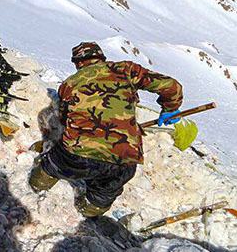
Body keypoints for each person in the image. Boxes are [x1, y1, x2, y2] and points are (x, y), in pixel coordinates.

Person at [29, 42, 183, 218]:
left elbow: (65, 119)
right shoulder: (126, 70)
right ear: (101, 57)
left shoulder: (69, 84)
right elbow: (171, 86)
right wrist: (170, 108)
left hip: (77, 157)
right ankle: (90, 211)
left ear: (78, 63)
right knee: (103, 195)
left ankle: (36, 187)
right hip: (124, 160)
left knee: (50, 166)